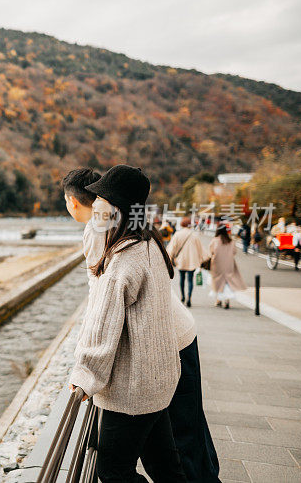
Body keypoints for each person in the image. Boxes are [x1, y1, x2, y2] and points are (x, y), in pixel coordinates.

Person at [62, 168, 219, 482]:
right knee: (168, 462)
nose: (96, 205)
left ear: (114, 206)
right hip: (162, 368)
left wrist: (85, 376)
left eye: (101, 199)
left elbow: (103, 319)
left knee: (114, 471)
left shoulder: (120, 257)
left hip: (141, 377)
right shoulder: (148, 241)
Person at [167, 217, 205, 307]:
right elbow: (200, 249)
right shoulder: (194, 235)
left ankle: (182, 296)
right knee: (190, 280)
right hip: (192, 261)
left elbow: (171, 248)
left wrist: (169, 257)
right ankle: (189, 298)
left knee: (182, 279)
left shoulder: (178, 234)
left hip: (181, 261)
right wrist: (202, 259)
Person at [209, 225, 246, 309]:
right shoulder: (231, 241)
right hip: (229, 264)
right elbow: (234, 252)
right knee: (228, 282)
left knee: (218, 282)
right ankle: (227, 301)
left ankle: (218, 300)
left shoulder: (215, 240)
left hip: (217, 264)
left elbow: (211, 251)